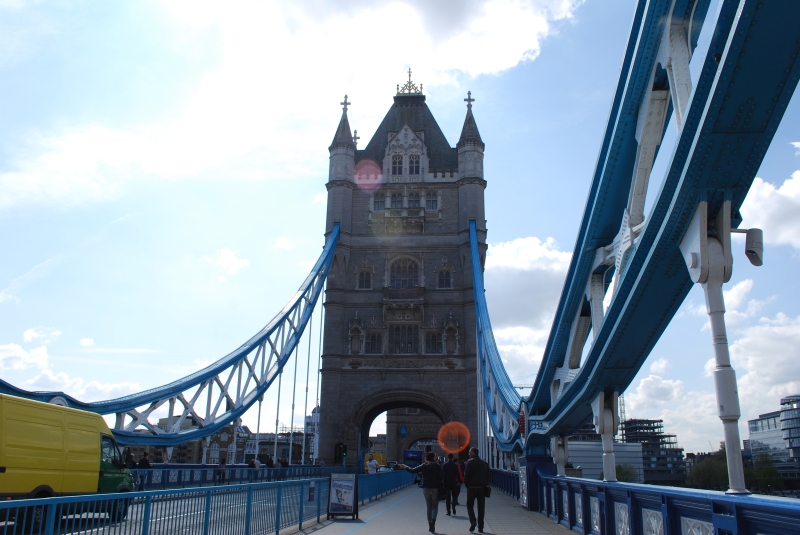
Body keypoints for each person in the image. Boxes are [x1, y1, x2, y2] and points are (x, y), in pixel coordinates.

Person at [399, 452, 444, 533]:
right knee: (435, 506)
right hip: (435, 487)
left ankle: (429, 524)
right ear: (433, 458)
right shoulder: (437, 466)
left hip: (426, 487)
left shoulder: (424, 465)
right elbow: (442, 476)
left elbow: (413, 470)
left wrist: (405, 466)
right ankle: (433, 521)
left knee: (429, 506)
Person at [463, 447, 490, 533]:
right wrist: (485, 484)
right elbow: (488, 475)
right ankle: (481, 527)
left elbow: (466, 474)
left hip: (471, 487)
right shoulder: (484, 463)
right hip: (482, 488)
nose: (469, 453)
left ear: (474, 452)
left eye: (470, 452)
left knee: (469, 505)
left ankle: (473, 521)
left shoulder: (469, 462)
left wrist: (467, 485)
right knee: (481, 507)